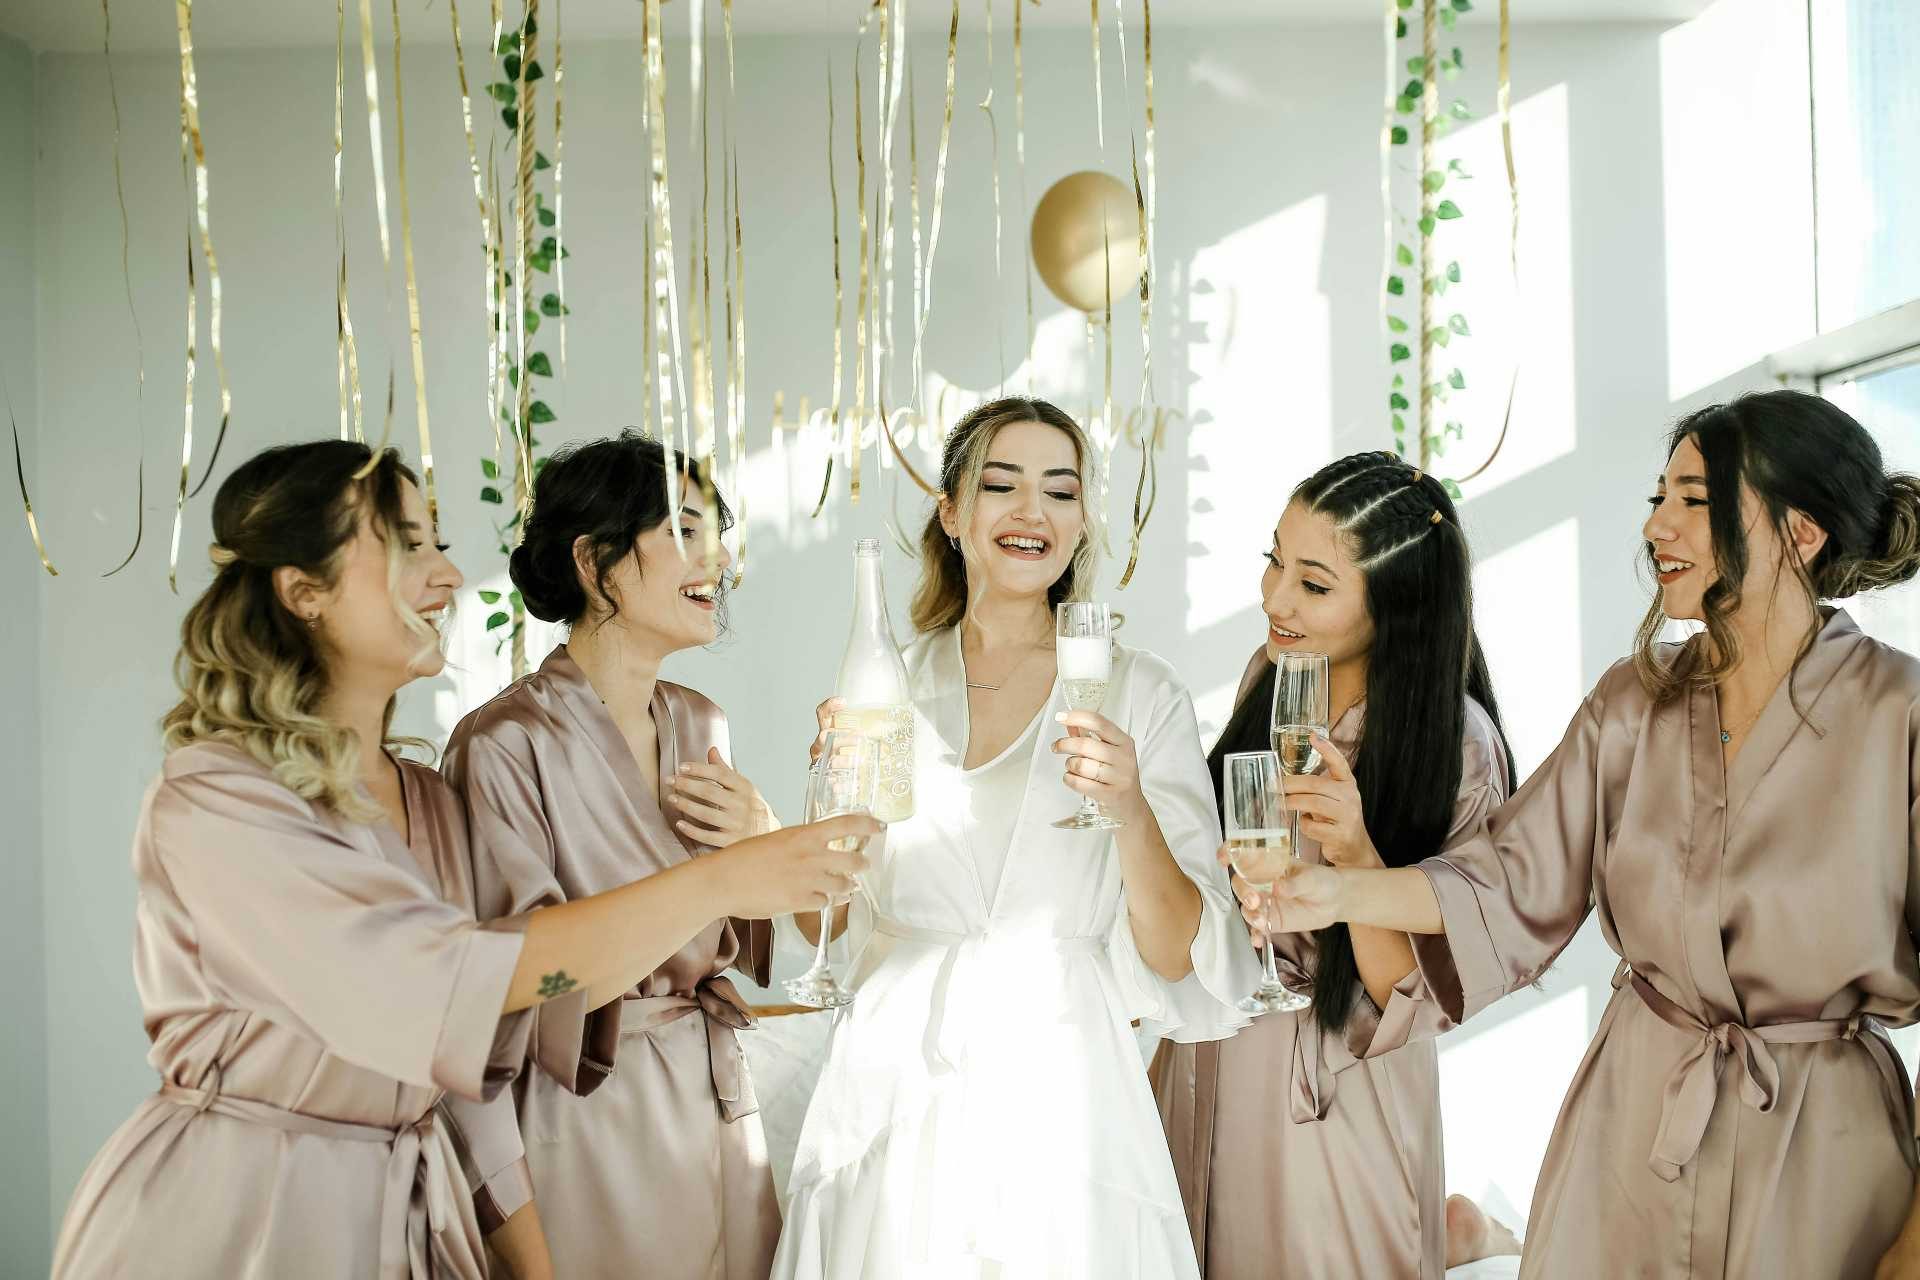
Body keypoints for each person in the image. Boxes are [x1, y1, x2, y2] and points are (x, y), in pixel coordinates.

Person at [50, 440, 872, 1280]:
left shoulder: (432, 805)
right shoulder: (217, 800)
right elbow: (462, 985)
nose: (448, 574)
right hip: (250, 1213)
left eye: (439, 542)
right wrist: (725, 878)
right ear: (302, 591)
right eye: (411, 544)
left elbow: (476, 1060)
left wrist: (525, 1257)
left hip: (425, 1206)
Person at [1263, 390, 1920, 1278]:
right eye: (1660, 497)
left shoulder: (1900, 716)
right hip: (1631, 1137)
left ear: (1801, 537)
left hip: (1822, 1153)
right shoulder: (1633, 703)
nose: (1658, 526)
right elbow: (1505, 877)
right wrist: (1343, 884)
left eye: (1695, 500)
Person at [770, 398, 1255, 1278]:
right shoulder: (888, 684)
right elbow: (822, 932)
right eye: (1002, 485)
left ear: (1081, 524)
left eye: (1060, 492)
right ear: (953, 514)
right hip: (893, 1079)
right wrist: (827, 814)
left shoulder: (1141, 695)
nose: (1032, 511)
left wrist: (1133, 810)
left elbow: (1183, 954)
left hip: (1064, 1079)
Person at [1150, 451, 1514, 1277]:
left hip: (1337, 1092)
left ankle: (1467, 1234)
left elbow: (1409, 998)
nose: (1276, 598)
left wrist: (1354, 852)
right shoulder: (1273, 678)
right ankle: (1467, 1232)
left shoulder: (1456, 748)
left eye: (1313, 585)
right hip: (1212, 1055)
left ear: (1396, 602)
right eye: (1274, 561)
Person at [440, 432, 785, 1279]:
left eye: (721, 532)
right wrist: (724, 874)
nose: (721, 560)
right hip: (585, 1110)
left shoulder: (702, 724)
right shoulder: (501, 745)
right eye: (688, 531)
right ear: (594, 562)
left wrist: (766, 836)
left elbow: (775, 915)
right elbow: (516, 985)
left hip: (716, 1101)